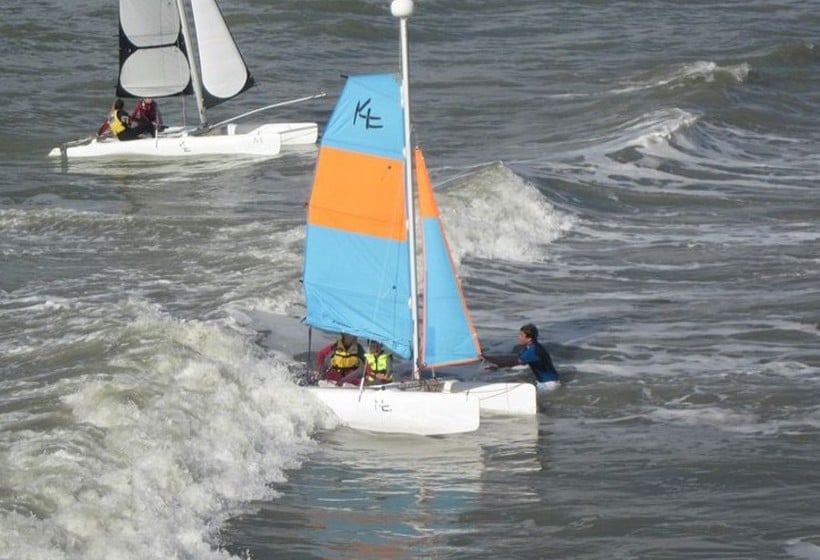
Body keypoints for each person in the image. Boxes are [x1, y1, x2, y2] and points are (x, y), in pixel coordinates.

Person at [482, 323, 560, 394]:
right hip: (544, 382)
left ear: (529, 338)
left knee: (538, 405)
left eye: (521, 335)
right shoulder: (529, 347)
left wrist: (488, 358)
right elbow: (512, 359)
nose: (518, 337)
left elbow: (512, 362)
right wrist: (497, 366)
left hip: (549, 384)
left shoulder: (533, 351)